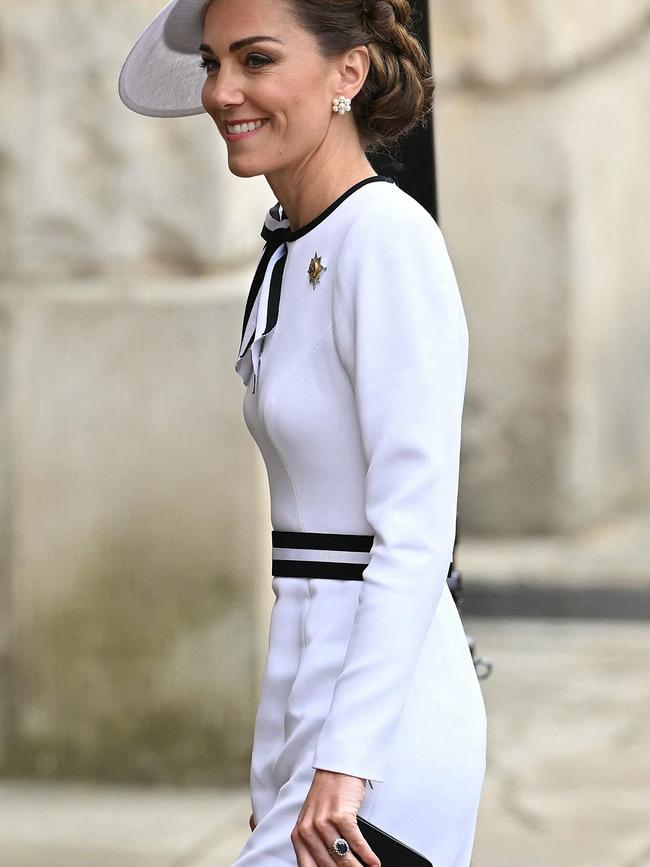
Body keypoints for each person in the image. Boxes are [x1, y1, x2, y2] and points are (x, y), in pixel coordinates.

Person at [118, 0, 487, 864]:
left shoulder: (388, 240)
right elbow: (305, 581)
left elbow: (414, 531)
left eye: (255, 60)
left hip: (382, 739)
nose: (223, 92)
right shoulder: (294, 243)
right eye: (213, 64)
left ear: (346, 76)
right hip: (318, 717)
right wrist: (277, 767)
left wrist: (345, 759)